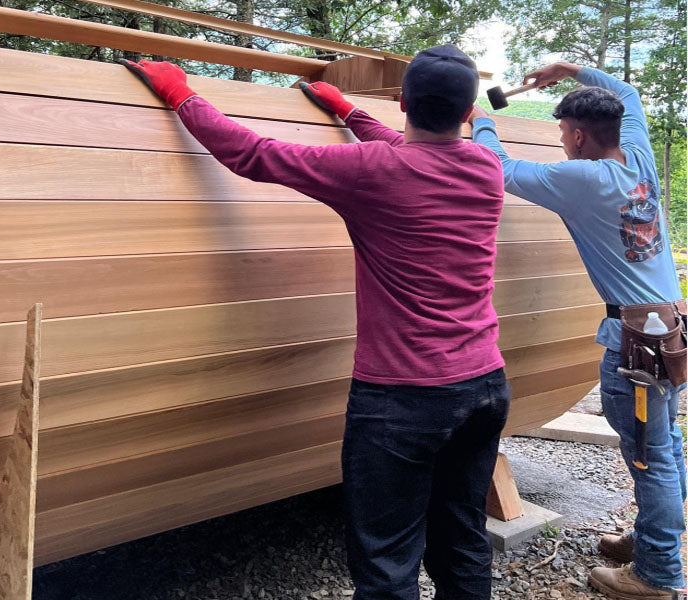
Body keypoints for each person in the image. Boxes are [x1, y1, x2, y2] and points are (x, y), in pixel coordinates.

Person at [122, 45, 510, 600]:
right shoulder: (485, 166)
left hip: (403, 400)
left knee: (387, 559)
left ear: (404, 100)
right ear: (468, 111)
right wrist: (349, 113)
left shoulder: (373, 171)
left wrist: (179, 92)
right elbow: (408, 150)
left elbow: (252, 154)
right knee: (462, 537)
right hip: (484, 387)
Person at [470, 63, 686, 600]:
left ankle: (659, 574)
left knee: (648, 454)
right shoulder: (635, 157)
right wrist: (569, 70)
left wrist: (480, 121)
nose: (561, 141)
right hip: (672, 330)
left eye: (563, 132)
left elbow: (497, 169)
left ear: (581, 134)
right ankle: (652, 539)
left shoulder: (582, 178)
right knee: (666, 445)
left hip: (635, 343)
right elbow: (628, 91)